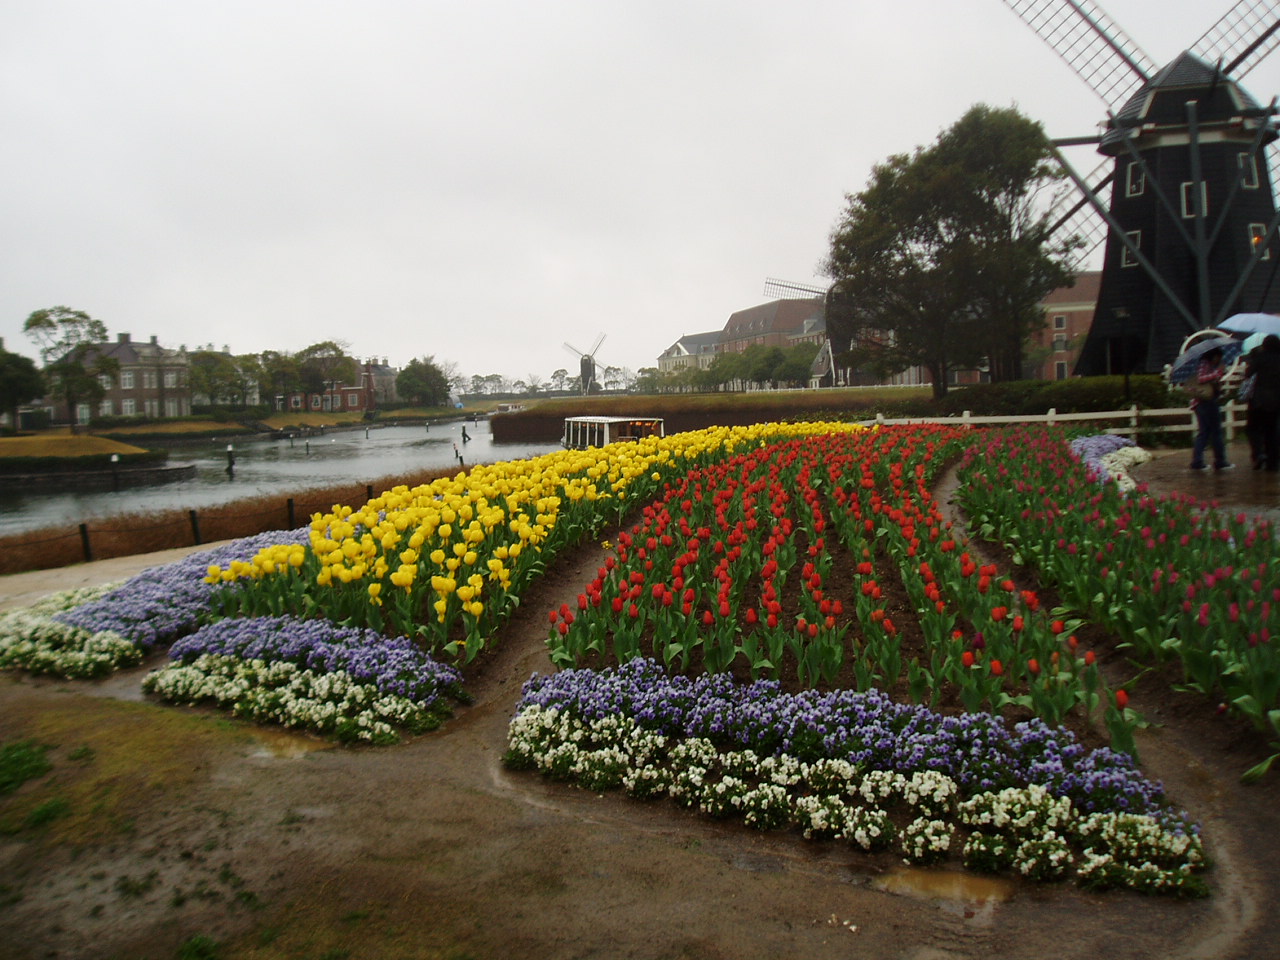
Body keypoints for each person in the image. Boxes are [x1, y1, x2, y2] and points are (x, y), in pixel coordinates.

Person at [1189, 345, 1233, 471]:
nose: (1219, 360)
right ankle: (1220, 461)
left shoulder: (1205, 364)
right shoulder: (1204, 363)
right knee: (1216, 432)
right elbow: (1201, 378)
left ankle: (1197, 461)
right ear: (1214, 356)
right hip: (1206, 402)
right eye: (1218, 357)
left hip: (1200, 403)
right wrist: (1217, 373)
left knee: (1204, 432)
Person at [1246, 334, 1280, 471]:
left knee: (1254, 428)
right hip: (1277, 400)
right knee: (1273, 431)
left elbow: (1248, 373)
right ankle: (1272, 462)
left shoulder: (1260, 358)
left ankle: (1258, 453)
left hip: (1259, 400)